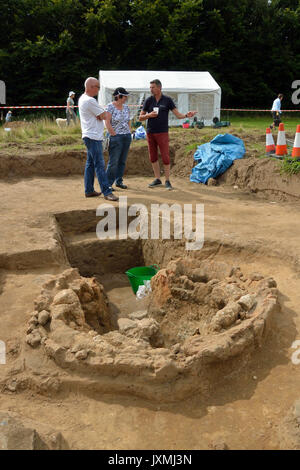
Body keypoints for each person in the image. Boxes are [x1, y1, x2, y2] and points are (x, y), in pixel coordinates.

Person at [139, 79, 197, 190]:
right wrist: (149, 115)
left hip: (162, 132)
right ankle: (157, 179)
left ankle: (167, 180)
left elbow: (178, 115)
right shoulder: (148, 100)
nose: (151, 89)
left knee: (165, 156)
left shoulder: (167, 100)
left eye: (153, 87)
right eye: (150, 87)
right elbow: (140, 117)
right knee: (153, 157)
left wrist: (186, 115)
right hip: (150, 132)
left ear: (159, 87)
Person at [78, 77, 118, 201]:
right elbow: (104, 115)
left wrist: (101, 113)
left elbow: (101, 115)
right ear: (91, 87)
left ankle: (89, 190)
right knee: (99, 165)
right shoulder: (90, 101)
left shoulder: (83, 99)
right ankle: (107, 192)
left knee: (90, 164)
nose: (99, 90)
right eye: (98, 87)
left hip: (90, 135)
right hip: (93, 136)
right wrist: (102, 112)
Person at [105, 87, 132, 190]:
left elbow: (128, 120)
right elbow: (107, 122)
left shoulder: (126, 107)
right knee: (113, 161)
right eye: (124, 96)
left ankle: (119, 181)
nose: (126, 98)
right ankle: (108, 184)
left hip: (126, 136)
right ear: (118, 96)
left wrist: (129, 132)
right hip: (116, 137)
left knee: (122, 161)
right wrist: (113, 134)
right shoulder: (110, 107)